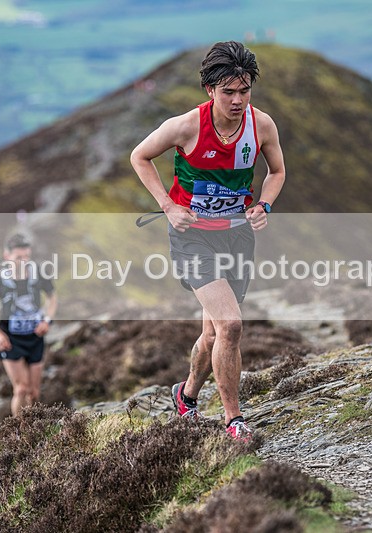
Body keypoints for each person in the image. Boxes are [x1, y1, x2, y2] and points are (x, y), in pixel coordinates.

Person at [130, 41, 286, 440]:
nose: (237, 100)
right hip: (192, 237)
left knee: (215, 332)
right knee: (231, 324)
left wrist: (264, 205)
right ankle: (234, 419)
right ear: (210, 90)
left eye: (244, 90)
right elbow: (140, 156)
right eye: (228, 92)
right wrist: (167, 205)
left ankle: (186, 396)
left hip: (236, 237)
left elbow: (277, 172)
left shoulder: (261, 125)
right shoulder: (185, 126)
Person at [0, 233, 58, 417]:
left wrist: (47, 321)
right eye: (18, 258)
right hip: (11, 339)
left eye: (26, 257)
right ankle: (18, 434)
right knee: (21, 389)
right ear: (7, 256)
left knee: (34, 392)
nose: (23, 261)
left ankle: (34, 432)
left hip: (35, 337)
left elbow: (53, 298)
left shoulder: (38, 273)